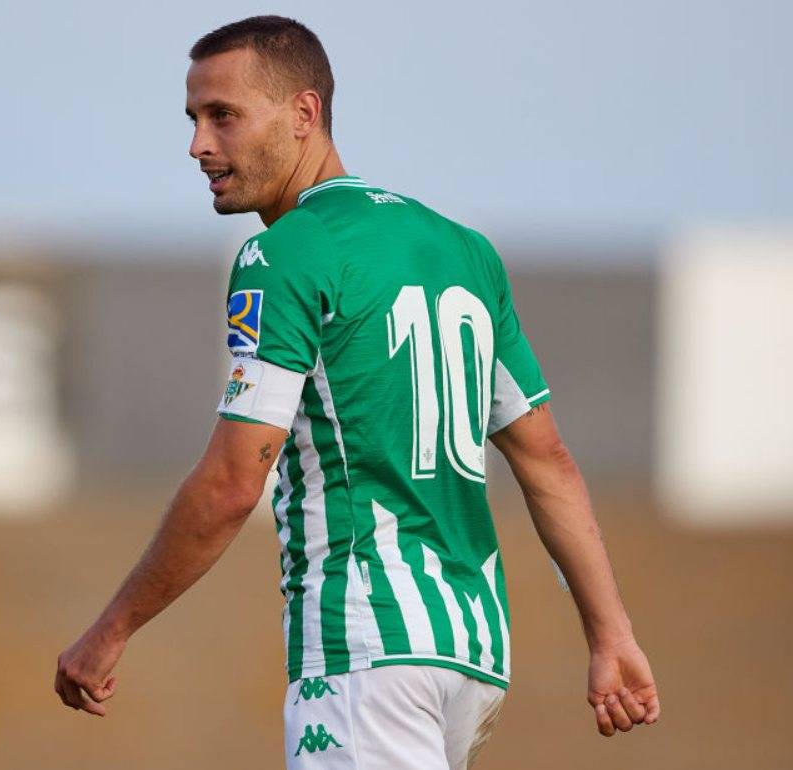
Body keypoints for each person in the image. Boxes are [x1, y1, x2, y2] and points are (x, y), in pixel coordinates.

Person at [54, 15, 659, 769]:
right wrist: (611, 634)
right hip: (471, 654)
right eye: (193, 119)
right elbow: (548, 462)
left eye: (224, 116)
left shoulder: (284, 256)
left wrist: (109, 631)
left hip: (366, 644)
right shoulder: (463, 251)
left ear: (304, 114)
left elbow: (232, 484)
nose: (199, 145)